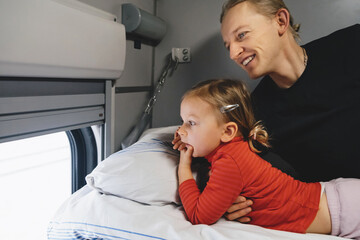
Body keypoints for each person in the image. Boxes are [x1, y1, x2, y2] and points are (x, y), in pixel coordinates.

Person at [220, 0, 360, 224]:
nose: (234, 53)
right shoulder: (254, 116)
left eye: (242, 35)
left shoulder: (352, 45)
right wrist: (235, 199)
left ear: (280, 21)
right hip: (334, 213)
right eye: (228, 46)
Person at [172, 78, 360, 239]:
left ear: (228, 131)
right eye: (182, 121)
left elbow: (199, 216)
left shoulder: (229, 162)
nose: (180, 130)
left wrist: (184, 166)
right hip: (339, 197)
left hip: (344, 210)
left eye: (191, 123)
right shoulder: (234, 152)